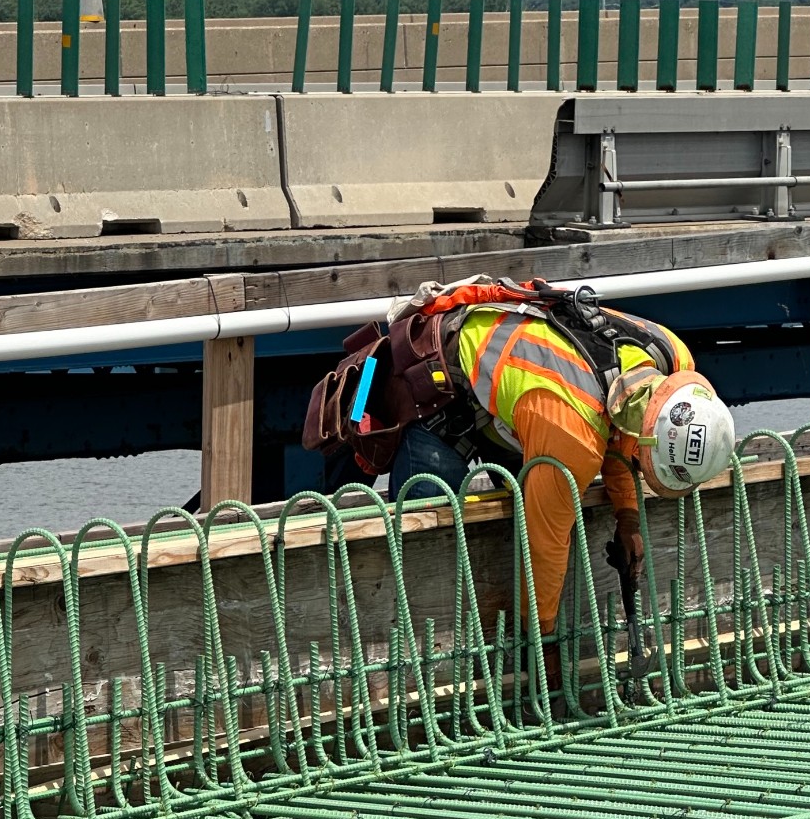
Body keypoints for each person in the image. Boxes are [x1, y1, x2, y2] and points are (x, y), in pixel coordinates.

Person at [305, 275, 735, 649]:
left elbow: (626, 430)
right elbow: (545, 546)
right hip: (439, 397)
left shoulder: (671, 359)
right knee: (425, 532)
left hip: (516, 394)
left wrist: (628, 519)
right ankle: (416, 654)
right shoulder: (571, 435)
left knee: (529, 475)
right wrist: (541, 641)